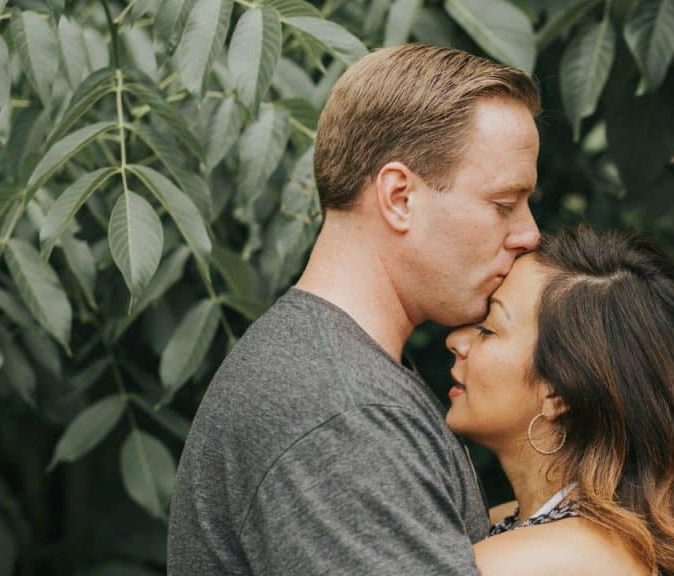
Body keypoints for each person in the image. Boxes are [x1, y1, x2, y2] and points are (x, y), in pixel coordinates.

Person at [167, 43, 541, 574]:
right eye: (503, 205)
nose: (529, 234)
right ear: (398, 197)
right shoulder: (343, 414)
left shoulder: (341, 378)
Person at [446, 226, 674, 576]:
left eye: (488, 329)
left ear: (557, 393)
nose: (456, 341)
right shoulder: (532, 524)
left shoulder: (553, 559)